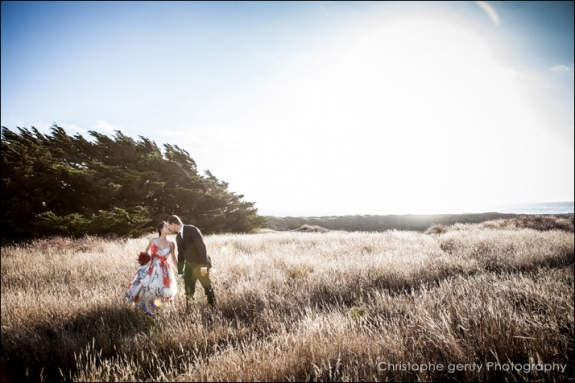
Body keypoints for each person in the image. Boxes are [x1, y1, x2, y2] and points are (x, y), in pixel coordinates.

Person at [125, 221, 178, 315]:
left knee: (163, 290)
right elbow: (147, 250)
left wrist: (179, 270)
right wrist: (146, 260)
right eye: (166, 226)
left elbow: (173, 258)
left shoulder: (171, 244)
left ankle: (153, 307)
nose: (169, 227)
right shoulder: (153, 240)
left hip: (164, 269)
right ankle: (145, 307)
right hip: (152, 267)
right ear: (161, 229)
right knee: (148, 287)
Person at [167, 215, 216, 307]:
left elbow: (202, 247)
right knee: (188, 289)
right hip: (189, 268)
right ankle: (189, 309)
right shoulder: (177, 237)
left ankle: (213, 307)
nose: (168, 228)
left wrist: (204, 266)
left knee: (207, 287)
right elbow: (180, 255)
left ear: (173, 224)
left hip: (200, 265)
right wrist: (180, 271)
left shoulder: (192, 229)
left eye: (169, 225)